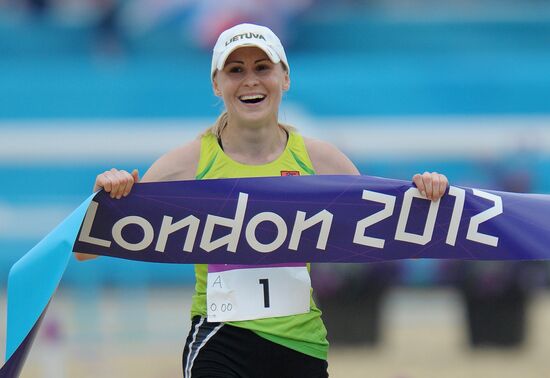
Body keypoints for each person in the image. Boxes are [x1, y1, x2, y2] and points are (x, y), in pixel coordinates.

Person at [75, 23, 449, 378]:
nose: (250, 80)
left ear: (285, 77)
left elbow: (392, 231)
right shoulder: (186, 164)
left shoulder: (321, 161)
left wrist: (428, 193)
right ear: (216, 84)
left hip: (302, 345)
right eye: (235, 69)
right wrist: (107, 196)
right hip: (218, 341)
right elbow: (84, 250)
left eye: (262, 67)